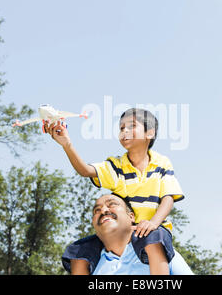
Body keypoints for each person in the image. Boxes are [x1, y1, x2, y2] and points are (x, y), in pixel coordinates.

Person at [45, 108, 187, 274]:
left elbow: (168, 198)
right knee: (79, 249)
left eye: (131, 126)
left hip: (152, 228)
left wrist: (153, 222)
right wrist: (67, 144)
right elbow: (85, 170)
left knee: (153, 237)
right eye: (121, 128)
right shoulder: (116, 166)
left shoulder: (161, 163)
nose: (124, 131)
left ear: (149, 133)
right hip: (125, 231)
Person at [62, 194, 193, 275]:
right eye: (97, 210)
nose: (103, 210)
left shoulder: (160, 251)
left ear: (131, 216)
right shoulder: (90, 266)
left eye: (112, 204)